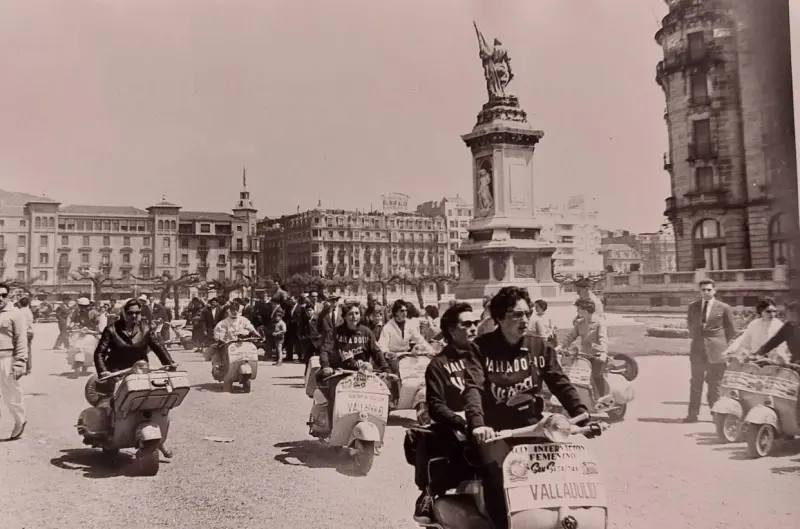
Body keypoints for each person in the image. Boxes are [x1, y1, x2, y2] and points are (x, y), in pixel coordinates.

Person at [462, 286, 592, 529]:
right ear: (499, 318)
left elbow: (560, 383)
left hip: (534, 428)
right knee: (502, 477)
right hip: (496, 432)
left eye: (527, 313)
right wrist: (479, 425)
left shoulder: (539, 347)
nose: (524, 320)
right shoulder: (480, 348)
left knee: (560, 475)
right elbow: (473, 389)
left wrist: (582, 415)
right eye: (515, 315)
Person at [412, 302, 479, 523]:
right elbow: (436, 405)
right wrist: (459, 420)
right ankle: (430, 494)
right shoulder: (438, 365)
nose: (473, 328)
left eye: (475, 323)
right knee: (465, 456)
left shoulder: (483, 359)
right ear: (451, 330)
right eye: (467, 324)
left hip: (485, 426)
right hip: (454, 430)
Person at [92, 298, 177, 456]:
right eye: (130, 313)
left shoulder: (146, 328)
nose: (134, 316)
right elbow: (99, 353)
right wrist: (104, 371)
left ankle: (159, 440)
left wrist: (170, 363)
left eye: (137, 313)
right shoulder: (112, 329)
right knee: (115, 406)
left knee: (154, 401)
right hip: (116, 373)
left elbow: (158, 347)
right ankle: (110, 434)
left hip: (140, 372)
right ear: (124, 313)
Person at [317, 301, 393, 429]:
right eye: (351, 314)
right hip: (340, 372)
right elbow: (325, 350)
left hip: (362, 374)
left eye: (357, 313)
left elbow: (376, 352)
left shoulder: (366, 332)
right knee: (335, 396)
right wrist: (326, 366)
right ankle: (332, 428)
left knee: (373, 398)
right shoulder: (335, 332)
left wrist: (385, 369)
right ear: (345, 316)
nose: (354, 317)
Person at [685, 279, 736, 423]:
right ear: (699, 291)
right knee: (696, 383)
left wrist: (724, 348)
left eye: (709, 290)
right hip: (697, 350)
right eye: (703, 290)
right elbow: (690, 324)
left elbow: (731, 331)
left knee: (715, 384)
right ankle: (692, 415)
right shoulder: (693, 307)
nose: (706, 292)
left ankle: (716, 414)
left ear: (714, 290)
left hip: (717, 350)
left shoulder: (724, 307)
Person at [557, 298, 609, 397]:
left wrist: (603, 353)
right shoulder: (581, 323)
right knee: (574, 375)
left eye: (578, 309)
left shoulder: (599, 322)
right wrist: (560, 346)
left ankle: (602, 399)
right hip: (584, 355)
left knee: (596, 375)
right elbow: (571, 336)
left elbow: (603, 339)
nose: (577, 311)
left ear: (585, 310)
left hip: (597, 356)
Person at [0, 282, 28, 440]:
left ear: (8, 296)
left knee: (11, 394)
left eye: (3, 295)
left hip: (7, 359)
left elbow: (21, 340)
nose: (0, 298)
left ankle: (20, 420)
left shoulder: (15, 314)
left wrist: (20, 362)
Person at [211, 301, 260, 390]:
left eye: (236, 310)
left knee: (248, 355)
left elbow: (250, 326)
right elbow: (218, 332)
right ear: (229, 310)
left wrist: (256, 333)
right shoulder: (224, 322)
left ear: (239, 310)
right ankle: (224, 373)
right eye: (232, 310)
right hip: (228, 344)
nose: (234, 312)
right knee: (220, 356)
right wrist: (220, 339)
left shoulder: (243, 320)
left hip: (242, 343)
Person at [724, 297, 788, 363]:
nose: (772, 314)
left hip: (774, 361)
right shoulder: (754, 324)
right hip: (756, 360)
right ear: (761, 311)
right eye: (768, 311)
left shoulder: (779, 325)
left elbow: (782, 347)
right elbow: (742, 340)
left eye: (774, 311)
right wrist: (730, 351)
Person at [17, 297, 35, 376]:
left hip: (23, 332)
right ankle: (28, 368)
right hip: (30, 332)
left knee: (19, 350)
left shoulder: (19, 312)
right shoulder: (29, 311)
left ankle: (18, 368)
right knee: (28, 350)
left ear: (20, 303)